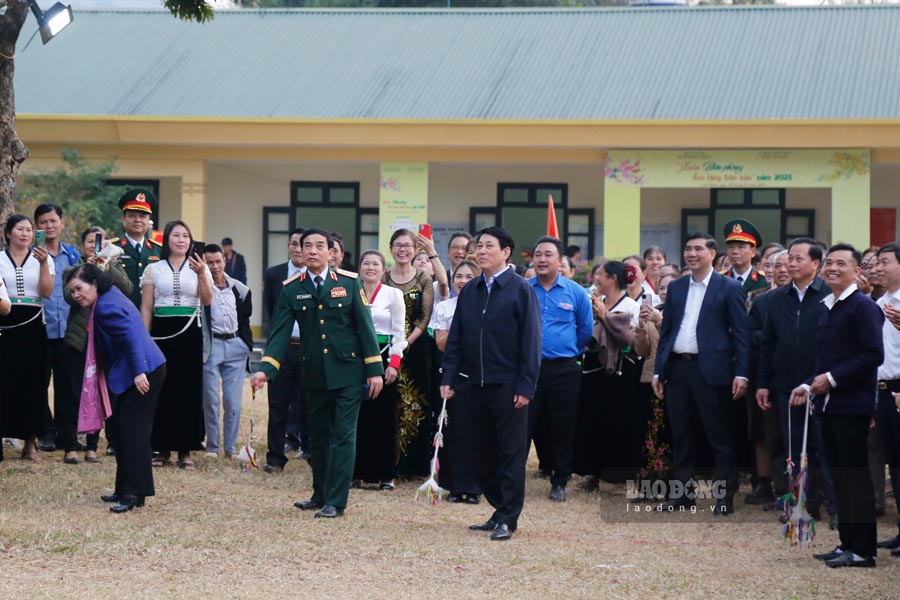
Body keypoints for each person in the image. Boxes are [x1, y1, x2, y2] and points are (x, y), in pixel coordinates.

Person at [250, 228, 384, 518]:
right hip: (312, 373)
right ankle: (320, 493)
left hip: (348, 372)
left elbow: (365, 328)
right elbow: (279, 333)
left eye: (319, 246)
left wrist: (374, 370)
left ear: (331, 253)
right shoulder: (292, 288)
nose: (311, 250)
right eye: (306, 245)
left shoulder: (349, 283)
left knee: (344, 436)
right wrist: (265, 369)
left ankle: (336, 500)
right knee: (319, 438)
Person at [441, 226, 541, 541]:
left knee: (510, 452)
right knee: (480, 452)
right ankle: (500, 508)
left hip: (508, 385)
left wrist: (526, 386)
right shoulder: (470, 290)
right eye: (478, 246)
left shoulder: (520, 289)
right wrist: (448, 377)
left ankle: (508, 518)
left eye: (488, 246)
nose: (481, 251)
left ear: (505, 252)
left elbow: (531, 341)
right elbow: (455, 338)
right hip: (473, 385)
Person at [791, 243, 883, 568]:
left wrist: (831, 378)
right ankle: (847, 542)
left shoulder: (863, 307)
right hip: (827, 407)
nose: (832, 268)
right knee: (840, 478)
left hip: (851, 406)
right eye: (829, 262)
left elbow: (873, 355)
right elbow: (824, 357)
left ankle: (863, 550)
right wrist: (808, 384)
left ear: (857, 271)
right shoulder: (828, 305)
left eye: (841, 263)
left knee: (855, 479)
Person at [653, 232, 749, 515]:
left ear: (712, 253)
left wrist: (742, 373)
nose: (691, 254)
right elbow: (667, 330)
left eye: (697, 249)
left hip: (713, 371)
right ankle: (683, 495)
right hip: (678, 369)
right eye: (687, 249)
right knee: (681, 436)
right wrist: (660, 370)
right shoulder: (678, 287)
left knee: (719, 437)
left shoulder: (729, 287)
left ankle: (724, 497)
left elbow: (741, 335)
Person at [65, 264, 166, 514]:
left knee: (133, 432)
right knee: (122, 430)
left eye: (79, 289)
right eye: (72, 292)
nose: (76, 295)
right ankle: (125, 489)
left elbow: (131, 335)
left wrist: (139, 371)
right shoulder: (105, 298)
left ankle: (133, 493)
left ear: (94, 284)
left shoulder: (106, 306)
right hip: (136, 368)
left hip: (143, 370)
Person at [757, 239, 835, 526]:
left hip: (822, 385)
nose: (791, 263)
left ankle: (828, 506)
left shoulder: (828, 295)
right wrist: (763, 382)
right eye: (789, 258)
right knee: (793, 449)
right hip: (786, 387)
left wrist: (816, 380)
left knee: (821, 446)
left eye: (798, 258)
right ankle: (798, 504)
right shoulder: (777, 299)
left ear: (816, 264)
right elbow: (767, 344)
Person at [141, 220, 213, 470]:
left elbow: (207, 299)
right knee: (162, 388)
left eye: (186, 236)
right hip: (161, 333)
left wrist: (203, 272)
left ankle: (186, 449)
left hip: (189, 333)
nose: (181, 240)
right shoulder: (154, 269)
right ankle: (161, 448)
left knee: (188, 389)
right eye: (176, 235)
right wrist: (143, 336)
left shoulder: (198, 267)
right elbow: (147, 306)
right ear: (166, 240)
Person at [528, 236, 593, 502]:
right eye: (538, 254)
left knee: (562, 426)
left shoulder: (575, 292)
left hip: (564, 370)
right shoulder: (523, 289)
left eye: (548, 255)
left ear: (560, 260)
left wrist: (565, 350)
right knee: (523, 425)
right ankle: (510, 477)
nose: (542, 259)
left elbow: (585, 330)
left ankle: (560, 480)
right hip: (529, 369)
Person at [62, 227, 133, 464]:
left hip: (105, 340)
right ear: (83, 245)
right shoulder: (72, 270)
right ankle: (71, 446)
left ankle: (92, 447)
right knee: (74, 392)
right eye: (90, 241)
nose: (94, 245)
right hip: (79, 340)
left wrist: (106, 267)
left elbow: (128, 288)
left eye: (99, 241)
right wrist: (86, 274)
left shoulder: (112, 265)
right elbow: (67, 296)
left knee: (101, 392)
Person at [574, 261, 641, 487]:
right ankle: (593, 471)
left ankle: (620, 473)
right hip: (594, 369)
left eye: (600, 274)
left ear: (613, 279)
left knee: (620, 421)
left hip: (621, 371)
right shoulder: (594, 303)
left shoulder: (632, 306)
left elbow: (634, 342)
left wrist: (606, 317)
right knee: (593, 419)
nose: (596, 279)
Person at [0, 215, 53, 461]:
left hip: (33, 324)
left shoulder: (42, 258)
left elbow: (46, 292)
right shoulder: (0, 258)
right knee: (5, 380)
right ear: (8, 233)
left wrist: (43, 264)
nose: (25, 233)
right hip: (6, 322)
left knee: (34, 382)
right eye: (19, 229)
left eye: (29, 230)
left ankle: (30, 442)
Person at [353, 250, 407, 490]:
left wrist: (394, 364)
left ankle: (386, 475)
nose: (371, 267)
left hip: (385, 359)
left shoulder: (393, 294)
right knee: (357, 418)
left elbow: (399, 333)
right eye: (366, 263)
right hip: (355, 362)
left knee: (384, 419)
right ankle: (355, 472)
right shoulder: (352, 291)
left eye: (376, 264)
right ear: (360, 268)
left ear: (383, 269)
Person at [383, 228, 435, 477]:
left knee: (416, 403)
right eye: (398, 245)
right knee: (388, 404)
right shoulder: (382, 278)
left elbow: (424, 319)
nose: (402, 250)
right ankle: (387, 463)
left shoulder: (423, 278)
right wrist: (393, 345)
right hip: (385, 349)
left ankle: (413, 467)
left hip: (414, 350)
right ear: (391, 248)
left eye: (408, 246)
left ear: (415, 250)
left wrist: (405, 343)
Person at [429, 259, 481, 503]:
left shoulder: (485, 306)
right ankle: (454, 485)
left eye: (469, 276)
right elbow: (441, 343)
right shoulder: (445, 308)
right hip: (452, 374)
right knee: (453, 430)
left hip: (480, 375)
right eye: (459, 276)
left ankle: (475, 487)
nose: (462, 281)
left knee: (476, 431)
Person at [34, 204, 82, 454]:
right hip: (40, 328)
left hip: (68, 330)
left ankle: (66, 433)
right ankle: (46, 432)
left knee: (67, 385)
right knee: (39, 383)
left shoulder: (73, 256)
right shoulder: (32, 256)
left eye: (53, 221)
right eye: (43, 222)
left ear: (62, 223)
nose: (49, 226)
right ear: (36, 227)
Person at [261, 228, 308, 471]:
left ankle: (310, 452)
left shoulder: (316, 275)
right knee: (278, 404)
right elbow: (270, 311)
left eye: (303, 244)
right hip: (283, 347)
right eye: (294, 244)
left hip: (310, 348)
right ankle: (275, 457)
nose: (298, 249)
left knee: (310, 403)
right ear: (288, 246)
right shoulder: (274, 274)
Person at [201, 244, 253, 459]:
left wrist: (245, 344)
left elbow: (245, 318)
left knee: (232, 400)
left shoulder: (239, 289)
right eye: (209, 262)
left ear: (225, 261)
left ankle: (230, 448)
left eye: (218, 261)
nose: (214, 266)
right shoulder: (201, 288)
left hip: (234, 345)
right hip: (211, 346)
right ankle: (213, 446)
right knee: (211, 399)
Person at [870, 243, 900, 555]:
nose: (878, 268)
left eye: (885, 262)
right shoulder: (882, 301)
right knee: (895, 462)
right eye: (876, 262)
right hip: (881, 388)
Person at [112, 189, 162, 308]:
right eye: (132, 216)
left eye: (142, 216)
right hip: (121, 313)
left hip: (152, 316)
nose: (138, 220)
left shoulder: (159, 250)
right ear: (124, 219)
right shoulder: (113, 248)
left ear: (148, 220)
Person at [722, 219, 768, 299]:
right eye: (731, 247)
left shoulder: (764, 280)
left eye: (741, 247)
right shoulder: (720, 279)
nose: (735, 252)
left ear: (753, 251)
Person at [413, 234, 449, 303]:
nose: (423, 261)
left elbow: (443, 282)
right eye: (419, 259)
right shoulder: (406, 285)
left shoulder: (435, 287)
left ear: (433, 271)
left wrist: (431, 250)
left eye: (428, 260)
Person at [446, 232, 473, 297]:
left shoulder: (479, 279)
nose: (459, 251)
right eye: (455, 247)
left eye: (464, 248)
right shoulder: (437, 279)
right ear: (448, 252)